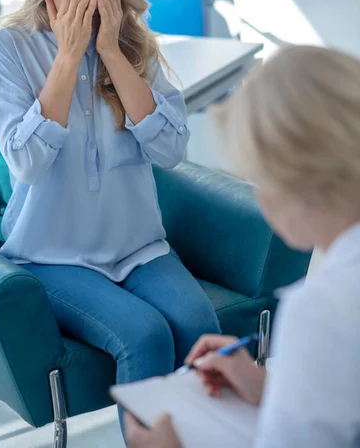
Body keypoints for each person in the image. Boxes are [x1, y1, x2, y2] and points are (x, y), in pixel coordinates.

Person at [0, 0, 221, 428]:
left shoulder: (137, 44)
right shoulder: (10, 47)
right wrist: (69, 58)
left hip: (138, 246)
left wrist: (112, 52)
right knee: (145, 335)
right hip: (49, 254)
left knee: (198, 324)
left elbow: (170, 150)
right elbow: (25, 160)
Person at [126, 44, 360, 447]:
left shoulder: (321, 311)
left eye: (257, 177)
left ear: (294, 178)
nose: (261, 199)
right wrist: (276, 390)